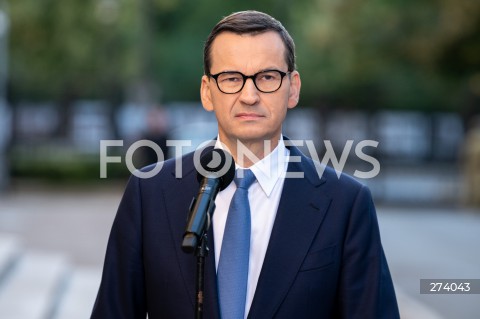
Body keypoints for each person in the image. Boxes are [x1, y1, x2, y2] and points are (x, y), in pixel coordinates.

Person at [91, 10, 400, 318]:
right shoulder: (150, 194)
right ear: (207, 91)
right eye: (231, 78)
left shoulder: (345, 204)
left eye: (267, 77)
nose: (249, 95)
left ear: (293, 88)